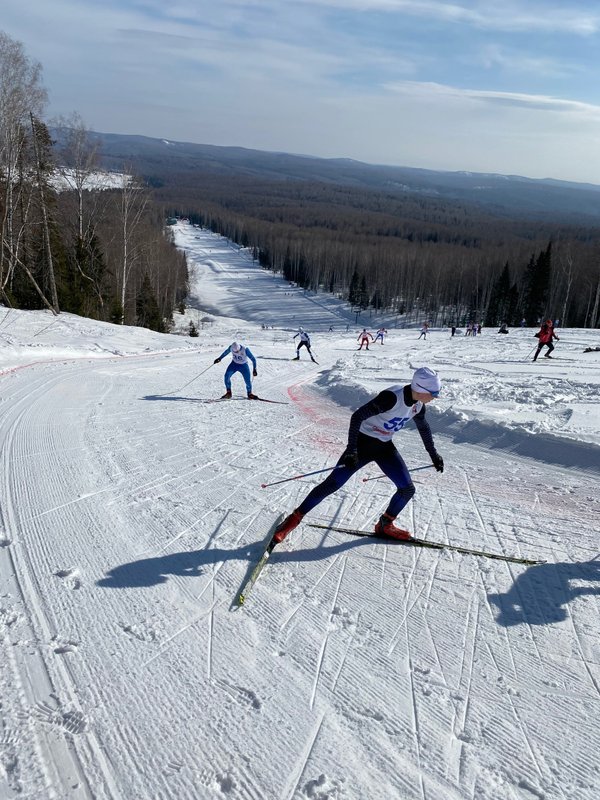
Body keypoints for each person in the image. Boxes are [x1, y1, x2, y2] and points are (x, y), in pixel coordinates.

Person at [270, 367, 444, 546]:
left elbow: (424, 428)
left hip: (384, 446)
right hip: (362, 444)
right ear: (420, 388)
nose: (435, 397)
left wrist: (434, 454)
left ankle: (385, 525)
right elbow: (357, 416)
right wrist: (352, 449)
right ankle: (293, 519)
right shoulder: (391, 398)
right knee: (333, 484)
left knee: (407, 489)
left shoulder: (418, 406)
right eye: (433, 393)